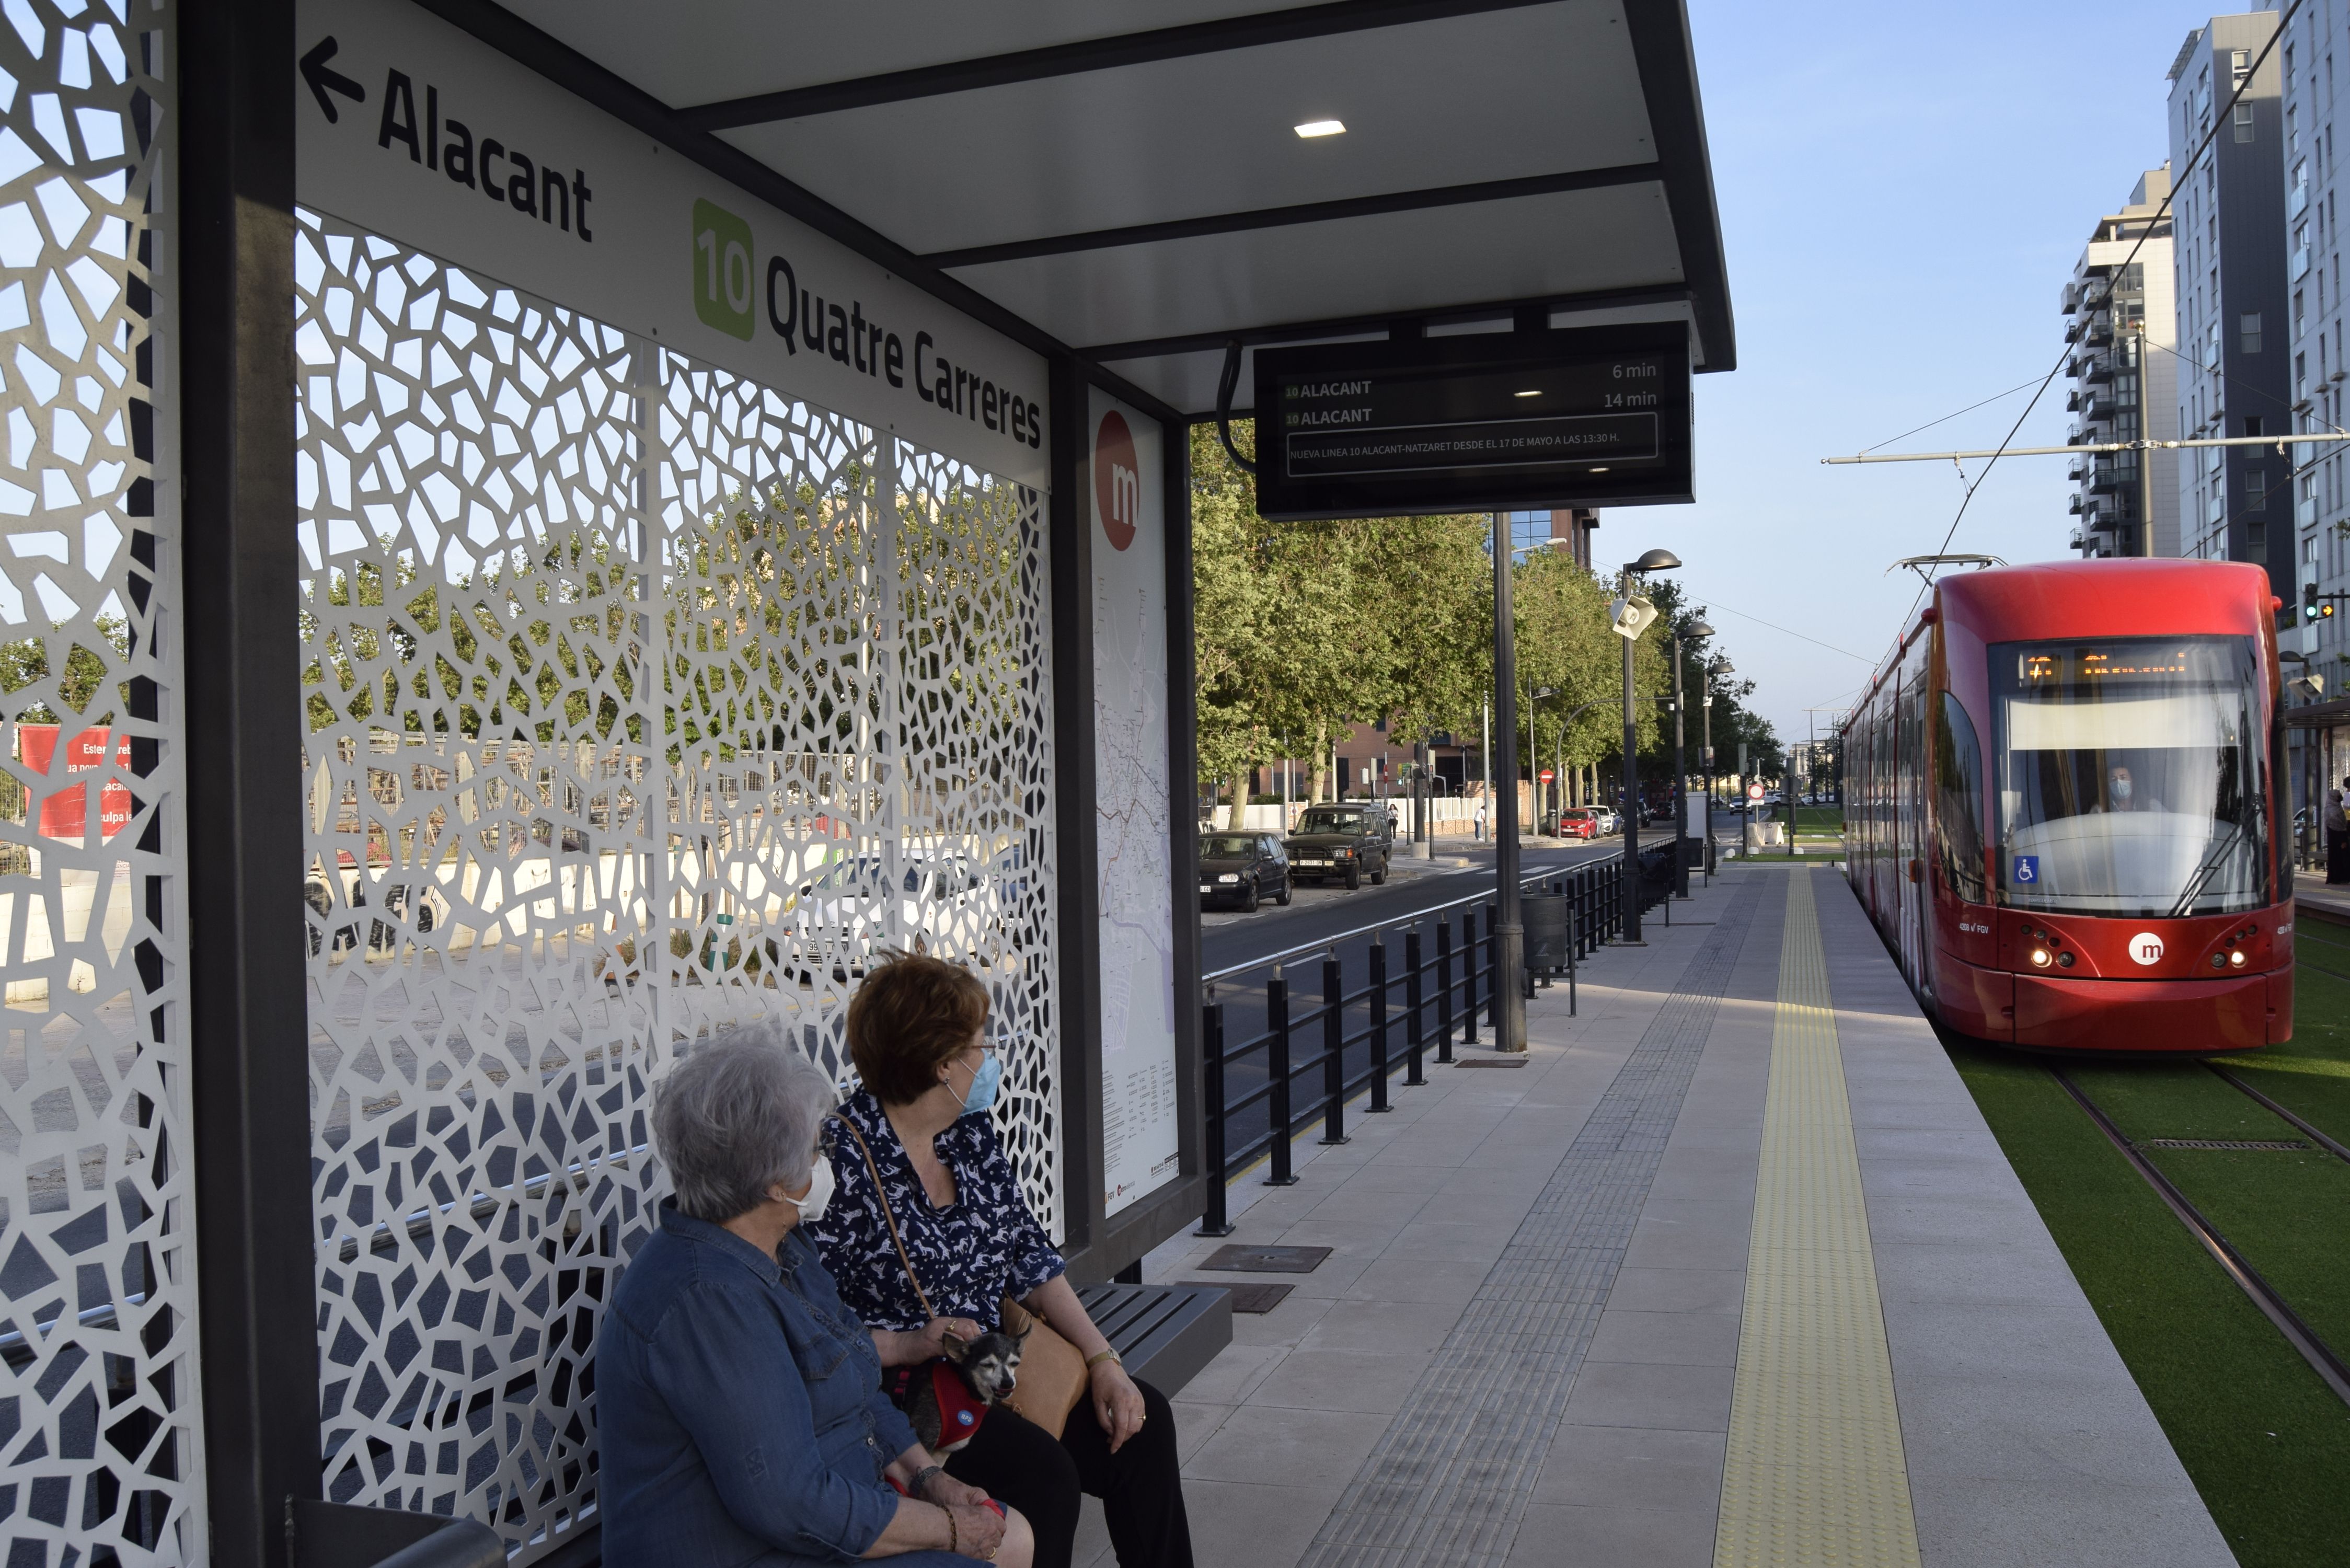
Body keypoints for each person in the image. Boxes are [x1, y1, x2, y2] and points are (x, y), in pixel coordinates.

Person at [807, 954, 1192, 1568]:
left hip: (993, 1376)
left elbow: (1028, 1256)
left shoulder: (967, 1132)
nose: (988, 1059)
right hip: (906, 1396)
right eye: (980, 1045)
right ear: (943, 1065)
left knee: (1142, 1427)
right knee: (1045, 1479)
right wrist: (908, 1343)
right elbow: (812, 1326)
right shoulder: (841, 1162)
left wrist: (1103, 1362)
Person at [602, 1027, 1035, 1568]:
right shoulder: (706, 1301)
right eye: (815, 1150)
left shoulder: (783, 1245)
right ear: (771, 1181)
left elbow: (855, 1380)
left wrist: (929, 1481)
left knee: (1010, 1533)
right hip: (750, 1550)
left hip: (828, 1511)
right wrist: (946, 1530)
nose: (824, 1163)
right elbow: (790, 1503)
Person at [2096, 763, 2163, 814]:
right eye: (2113, 779)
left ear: (2132, 781)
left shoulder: (2153, 806)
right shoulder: (2100, 810)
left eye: (2123, 778)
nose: (2118, 782)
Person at [2328, 775, 2349, 884]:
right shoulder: (2347, 798)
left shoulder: (2332, 807)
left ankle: (2338, 877)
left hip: (2335, 836)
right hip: (2341, 835)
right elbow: (2346, 819)